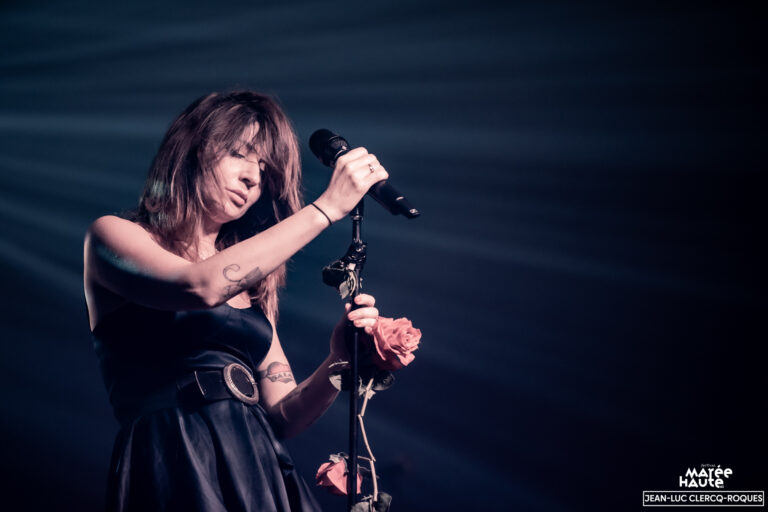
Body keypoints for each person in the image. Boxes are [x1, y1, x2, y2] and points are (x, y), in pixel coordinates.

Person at [83, 91, 390, 511]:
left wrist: (339, 360)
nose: (252, 177)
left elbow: (283, 416)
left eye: (263, 168)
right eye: (239, 154)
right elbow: (200, 287)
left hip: (257, 466)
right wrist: (326, 208)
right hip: (173, 454)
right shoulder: (114, 235)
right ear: (191, 149)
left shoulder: (253, 289)